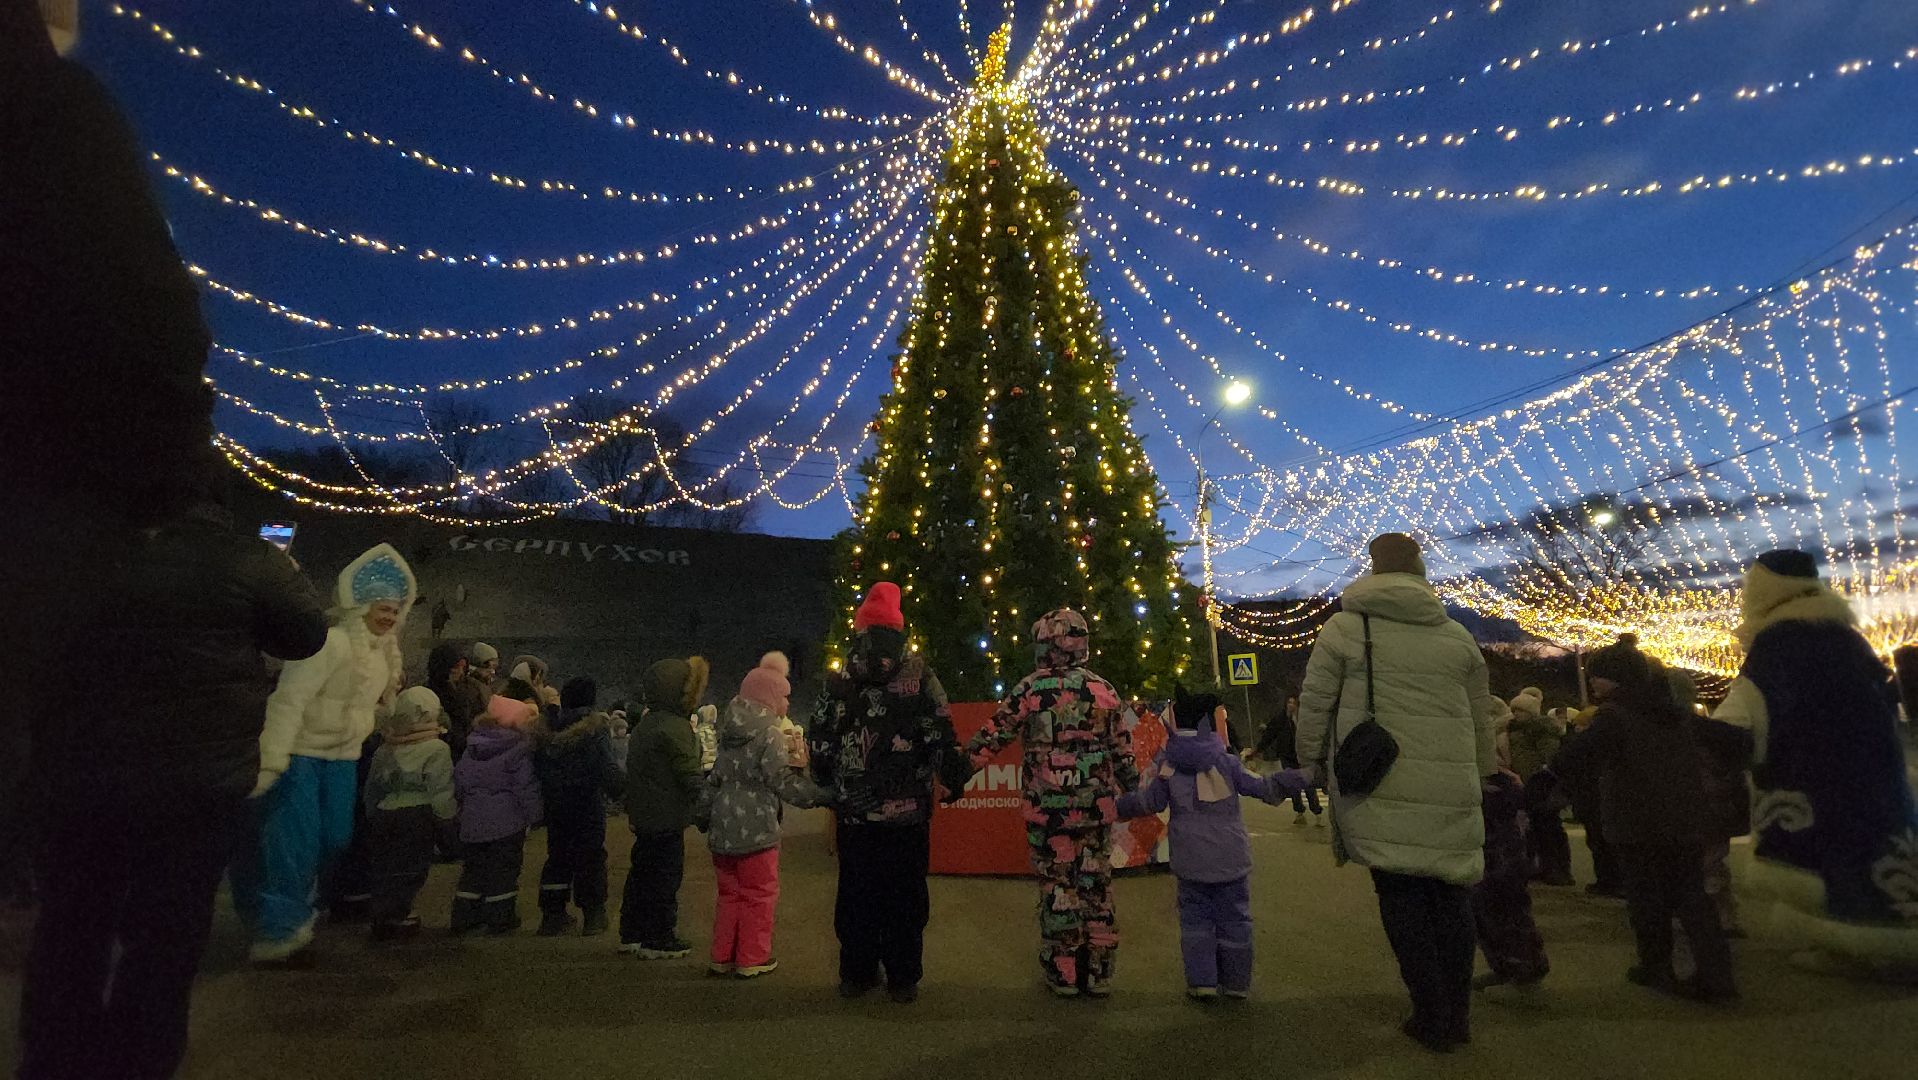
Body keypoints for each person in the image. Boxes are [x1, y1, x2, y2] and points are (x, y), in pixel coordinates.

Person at [15, 496, 327, 1079]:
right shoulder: (244, 557)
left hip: (77, 770)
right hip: (194, 780)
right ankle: (140, 1064)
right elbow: (306, 634)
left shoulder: (64, 543)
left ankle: (56, 1064)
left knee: (70, 927)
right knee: (164, 940)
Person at [1294, 534, 1496, 1053]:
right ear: (1420, 569)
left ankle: (1430, 1013)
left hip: (1380, 780)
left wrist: (1310, 761)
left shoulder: (1345, 627)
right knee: (1450, 895)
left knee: (1402, 895)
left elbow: (1316, 702)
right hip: (1451, 785)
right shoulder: (1456, 636)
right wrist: (1483, 772)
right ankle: (1458, 1013)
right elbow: (1480, 720)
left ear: (1374, 569)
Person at [1715, 550, 1918, 977]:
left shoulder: (1780, 644)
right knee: (1878, 851)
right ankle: (1888, 940)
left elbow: (1747, 712)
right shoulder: (1848, 638)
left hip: (1815, 782)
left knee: (1830, 859)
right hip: (1876, 775)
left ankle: (1858, 948)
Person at [237, 544, 412, 966]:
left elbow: (363, 704)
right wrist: (273, 759)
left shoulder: (382, 655)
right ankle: (278, 936)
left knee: (334, 838)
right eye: (381, 609)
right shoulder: (331, 644)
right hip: (299, 754)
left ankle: (293, 914)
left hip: (343, 758)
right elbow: (289, 700)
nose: (388, 617)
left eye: (394, 611)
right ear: (361, 607)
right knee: (294, 843)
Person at [809, 583, 970, 1004]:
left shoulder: (841, 677)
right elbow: (940, 730)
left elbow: (821, 735)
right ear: (899, 632)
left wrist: (825, 774)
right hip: (909, 813)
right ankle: (903, 977)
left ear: (859, 631)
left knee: (857, 891)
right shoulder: (920, 677)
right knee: (905, 893)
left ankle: (856, 972)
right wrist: (953, 774)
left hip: (855, 814)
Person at [967, 608, 1141, 997]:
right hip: (1096, 810)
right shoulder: (1103, 690)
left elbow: (993, 736)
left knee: (1057, 885)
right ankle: (1098, 970)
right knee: (1095, 886)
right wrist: (1134, 789)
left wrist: (957, 773)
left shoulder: (1030, 690)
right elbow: (1123, 750)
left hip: (1048, 813)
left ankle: (1064, 971)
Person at [1555, 638, 1740, 1001]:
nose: (1593, 682)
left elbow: (1573, 759)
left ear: (1619, 680)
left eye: (1601, 676)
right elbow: (1731, 741)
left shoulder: (1613, 716)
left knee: (1646, 898)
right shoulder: (1676, 714)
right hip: (1684, 816)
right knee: (1691, 895)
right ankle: (1717, 975)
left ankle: (1656, 966)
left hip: (1635, 820)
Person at [1117, 687, 1307, 1000]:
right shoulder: (1228, 763)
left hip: (1190, 859)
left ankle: (1202, 981)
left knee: (1195, 921)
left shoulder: (1169, 767)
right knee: (1236, 920)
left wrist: (1118, 806)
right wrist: (1301, 777)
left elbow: (1149, 802)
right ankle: (1235, 983)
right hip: (1229, 857)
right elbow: (1263, 788)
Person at [699, 659, 835, 977]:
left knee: (730, 894)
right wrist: (818, 795)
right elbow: (781, 781)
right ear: (768, 697)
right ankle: (751, 957)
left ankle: (721, 955)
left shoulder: (728, 734)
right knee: (759, 894)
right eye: (783, 696)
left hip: (723, 831)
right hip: (757, 830)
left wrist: (703, 815)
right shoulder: (770, 736)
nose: (786, 703)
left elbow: (714, 780)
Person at [619, 657, 710, 958]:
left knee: (641, 874)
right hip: (666, 816)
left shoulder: (648, 723)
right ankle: (659, 937)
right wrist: (706, 809)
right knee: (665, 878)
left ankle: (632, 933)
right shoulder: (675, 727)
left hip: (645, 815)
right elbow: (689, 775)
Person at [363, 686, 458, 941]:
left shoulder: (385, 748)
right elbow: (440, 789)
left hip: (385, 812)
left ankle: (382, 914)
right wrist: (447, 820)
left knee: (385, 866)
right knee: (411, 868)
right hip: (418, 815)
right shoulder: (436, 749)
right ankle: (400, 914)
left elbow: (373, 786)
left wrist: (372, 812)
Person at [451, 680, 545, 935]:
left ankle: (464, 917)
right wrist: (536, 815)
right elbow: (525, 786)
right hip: (507, 824)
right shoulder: (517, 750)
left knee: (473, 871)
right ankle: (500, 917)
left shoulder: (473, 748)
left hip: (472, 823)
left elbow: (459, 781)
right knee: (503, 872)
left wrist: (462, 808)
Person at [536, 677, 623, 937]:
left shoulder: (548, 731)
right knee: (590, 857)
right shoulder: (594, 729)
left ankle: (552, 916)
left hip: (555, 804)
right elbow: (606, 767)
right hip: (586, 803)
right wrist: (621, 790)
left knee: (558, 857)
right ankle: (593, 915)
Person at [1472, 731, 1550, 990]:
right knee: (1502, 908)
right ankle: (1517, 964)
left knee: (1498, 908)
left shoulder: (1493, 781)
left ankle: (1519, 966)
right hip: (1502, 855)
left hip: (1497, 857)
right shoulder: (1503, 780)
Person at [1556, 702, 1625, 899]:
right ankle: (1610, 880)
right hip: (1595, 797)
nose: (1577, 728)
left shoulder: (1588, 744)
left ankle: (1610, 881)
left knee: (1601, 840)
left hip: (1594, 797)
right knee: (1600, 840)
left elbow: (1564, 760)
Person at [1508, 688, 1574, 887]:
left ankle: (1559, 869)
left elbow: (1550, 755)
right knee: (1536, 828)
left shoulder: (1542, 729)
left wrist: (1544, 772)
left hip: (1542, 782)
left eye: (1520, 711)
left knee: (1549, 827)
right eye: (1514, 711)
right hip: (1527, 781)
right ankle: (1545, 866)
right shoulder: (1516, 729)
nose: (1516, 715)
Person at [1257, 695, 1325, 827]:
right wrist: (1258, 750)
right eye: (1289, 702)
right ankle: (1299, 813)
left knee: (1308, 785)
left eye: (1294, 703)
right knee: (1293, 786)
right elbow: (1270, 734)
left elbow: (1314, 735)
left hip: (1303, 758)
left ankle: (1317, 813)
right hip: (1287, 757)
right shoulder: (1281, 719)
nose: (1291, 705)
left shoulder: (1302, 720)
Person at [427, 639, 486, 761]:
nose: (459, 671)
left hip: (468, 749)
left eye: (462, 667)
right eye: (455, 667)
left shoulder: (472, 688)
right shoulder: (428, 693)